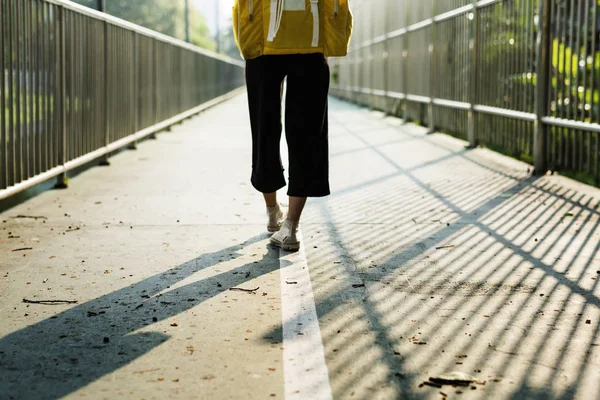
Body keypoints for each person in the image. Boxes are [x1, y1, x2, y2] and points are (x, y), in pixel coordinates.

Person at [233, 0, 352, 251]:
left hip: (262, 40)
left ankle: (272, 212)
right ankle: (291, 227)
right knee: (306, 136)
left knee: (265, 130)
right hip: (311, 40)